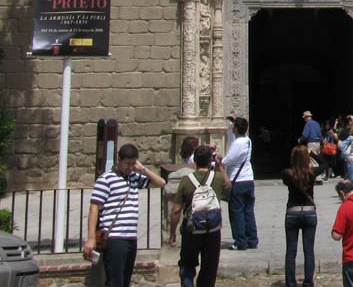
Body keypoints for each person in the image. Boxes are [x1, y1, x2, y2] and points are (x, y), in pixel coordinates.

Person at [83, 143, 166, 287]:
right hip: (115, 238)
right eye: (127, 163)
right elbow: (94, 207)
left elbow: (161, 183)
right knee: (115, 281)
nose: (130, 167)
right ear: (118, 160)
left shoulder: (133, 178)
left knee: (125, 280)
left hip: (130, 238)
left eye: (133, 163)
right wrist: (91, 238)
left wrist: (143, 169)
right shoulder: (106, 179)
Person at [168, 145, 231, 287]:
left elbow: (176, 210)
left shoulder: (186, 180)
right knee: (210, 266)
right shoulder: (218, 178)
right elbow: (229, 186)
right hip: (212, 229)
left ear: (194, 161)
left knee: (187, 263)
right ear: (211, 161)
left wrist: (172, 234)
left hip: (191, 229)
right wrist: (220, 165)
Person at [282, 145, 318, 287]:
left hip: (292, 212)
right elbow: (326, 163)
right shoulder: (312, 173)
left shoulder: (287, 174)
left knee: (291, 251)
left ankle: (291, 282)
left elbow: (285, 172)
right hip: (309, 211)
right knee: (309, 250)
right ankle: (308, 282)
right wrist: (312, 154)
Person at [222, 116, 258, 250]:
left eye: (233, 127)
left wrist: (219, 160)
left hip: (238, 181)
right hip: (248, 179)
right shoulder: (248, 141)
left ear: (236, 128)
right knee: (248, 211)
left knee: (236, 212)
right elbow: (233, 139)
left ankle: (240, 241)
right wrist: (233, 121)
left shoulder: (238, 144)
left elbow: (228, 160)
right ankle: (252, 239)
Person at [298, 110, 326, 182]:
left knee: (313, 160)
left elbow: (305, 135)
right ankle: (316, 176)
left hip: (311, 143)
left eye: (304, 118)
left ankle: (316, 178)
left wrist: (300, 140)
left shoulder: (308, 124)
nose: (304, 119)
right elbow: (320, 134)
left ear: (307, 117)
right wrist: (322, 142)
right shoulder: (316, 123)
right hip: (318, 143)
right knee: (317, 159)